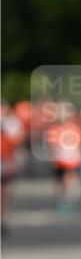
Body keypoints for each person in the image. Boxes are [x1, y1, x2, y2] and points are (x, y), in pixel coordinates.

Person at [0, 101, 25, 236]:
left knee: (5, 192)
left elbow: (19, 138)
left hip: (6, 160)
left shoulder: (12, 122)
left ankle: (3, 220)